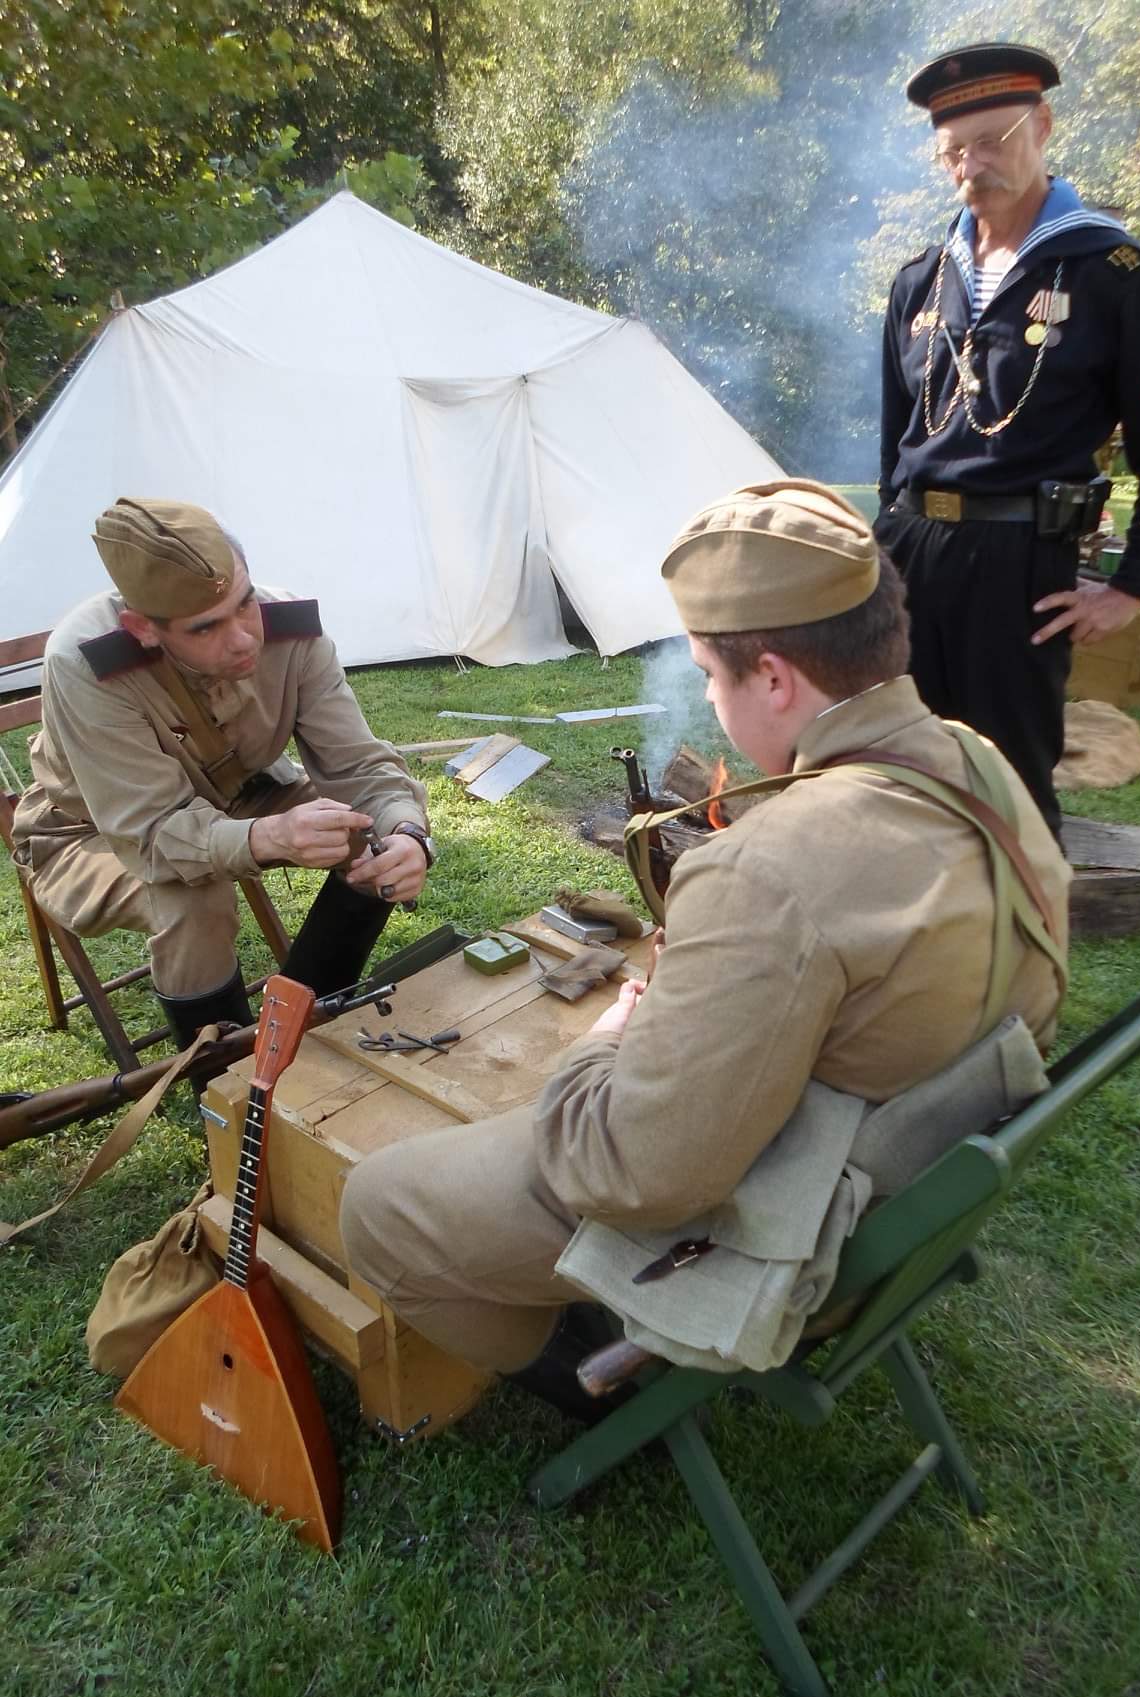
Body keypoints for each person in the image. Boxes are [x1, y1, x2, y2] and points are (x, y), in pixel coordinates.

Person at [341, 480, 1070, 1418]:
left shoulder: (765, 867)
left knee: (379, 1205)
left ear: (773, 678)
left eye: (710, 675)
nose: (712, 702)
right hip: (912, 1172)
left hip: (805, 1233)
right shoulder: (975, 759)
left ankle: (589, 1380)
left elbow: (631, 1173)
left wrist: (596, 1051)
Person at [876, 41, 1140, 837]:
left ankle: (1018, 917)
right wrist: (884, 550)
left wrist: (1132, 585)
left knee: (1009, 790)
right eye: (954, 151)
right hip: (910, 555)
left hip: (1019, 565)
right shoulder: (921, 280)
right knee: (898, 774)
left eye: (992, 140)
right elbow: (896, 440)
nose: (973, 165)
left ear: (1043, 126)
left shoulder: (1111, 273)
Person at [12, 497, 434, 1049]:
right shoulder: (86, 664)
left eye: (245, 602)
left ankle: (300, 1026)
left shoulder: (291, 630)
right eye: (206, 627)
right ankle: (222, 1076)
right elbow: (150, 833)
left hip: (237, 795)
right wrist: (267, 837)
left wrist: (408, 832)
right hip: (94, 830)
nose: (242, 637)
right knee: (194, 900)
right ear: (142, 628)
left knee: (365, 832)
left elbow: (360, 766)